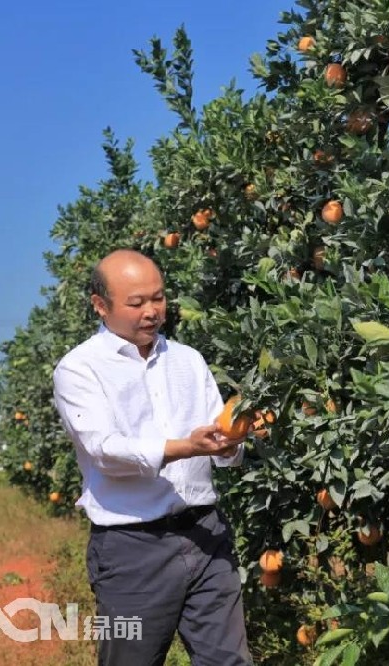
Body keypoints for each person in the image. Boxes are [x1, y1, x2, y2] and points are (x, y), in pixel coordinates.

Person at [52, 248, 253, 666]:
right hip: (133, 548)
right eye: (136, 303)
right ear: (100, 305)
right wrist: (185, 447)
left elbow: (221, 445)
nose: (151, 311)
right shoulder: (80, 369)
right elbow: (105, 451)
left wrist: (234, 439)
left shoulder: (188, 360)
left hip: (206, 534)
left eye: (158, 298)